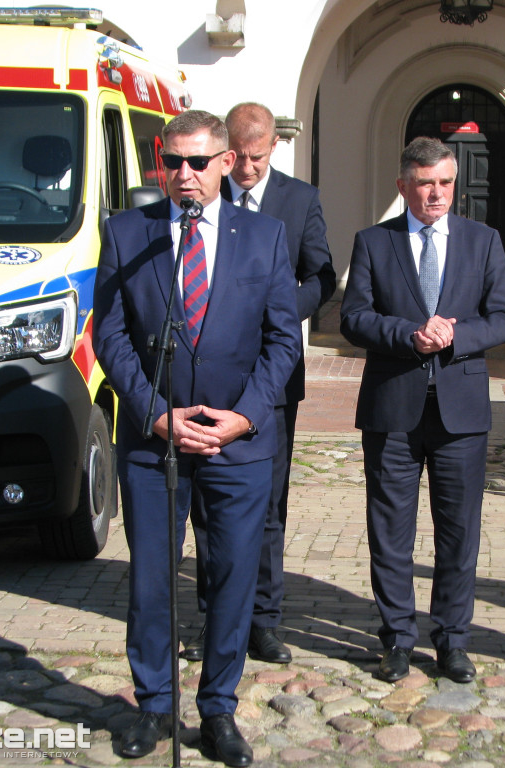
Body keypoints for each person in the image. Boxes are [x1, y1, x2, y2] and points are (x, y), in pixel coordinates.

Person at [93, 110, 300, 765]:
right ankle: (154, 705)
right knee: (153, 580)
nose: (183, 175)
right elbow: (111, 334)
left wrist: (246, 414)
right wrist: (155, 412)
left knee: (233, 581)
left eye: (197, 162)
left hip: (238, 444)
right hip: (156, 444)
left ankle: (218, 709)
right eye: (172, 162)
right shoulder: (131, 234)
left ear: (225, 163)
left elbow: (282, 339)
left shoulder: (265, 236)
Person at [340, 137, 505, 684]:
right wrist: (408, 335)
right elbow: (353, 318)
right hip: (393, 406)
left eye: (444, 182)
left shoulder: (483, 240)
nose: (435, 193)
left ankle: (452, 640)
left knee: (458, 532)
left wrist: (455, 335)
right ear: (404, 187)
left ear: (454, 184)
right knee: (390, 529)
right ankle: (396, 637)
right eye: (424, 184)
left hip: (460, 413)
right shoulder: (374, 241)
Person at [184, 102, 335, 666]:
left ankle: (264, 621)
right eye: (238, 158)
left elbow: (323, 274)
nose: (246, 170)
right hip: (208, 375)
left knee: (268, 505)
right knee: (208, 502)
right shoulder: (203, 194)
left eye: (257, 157)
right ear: (225, 150)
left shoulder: (300, 200)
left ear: (275, 147)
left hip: (272, 376)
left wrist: (276, 309)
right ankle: (213, 615)